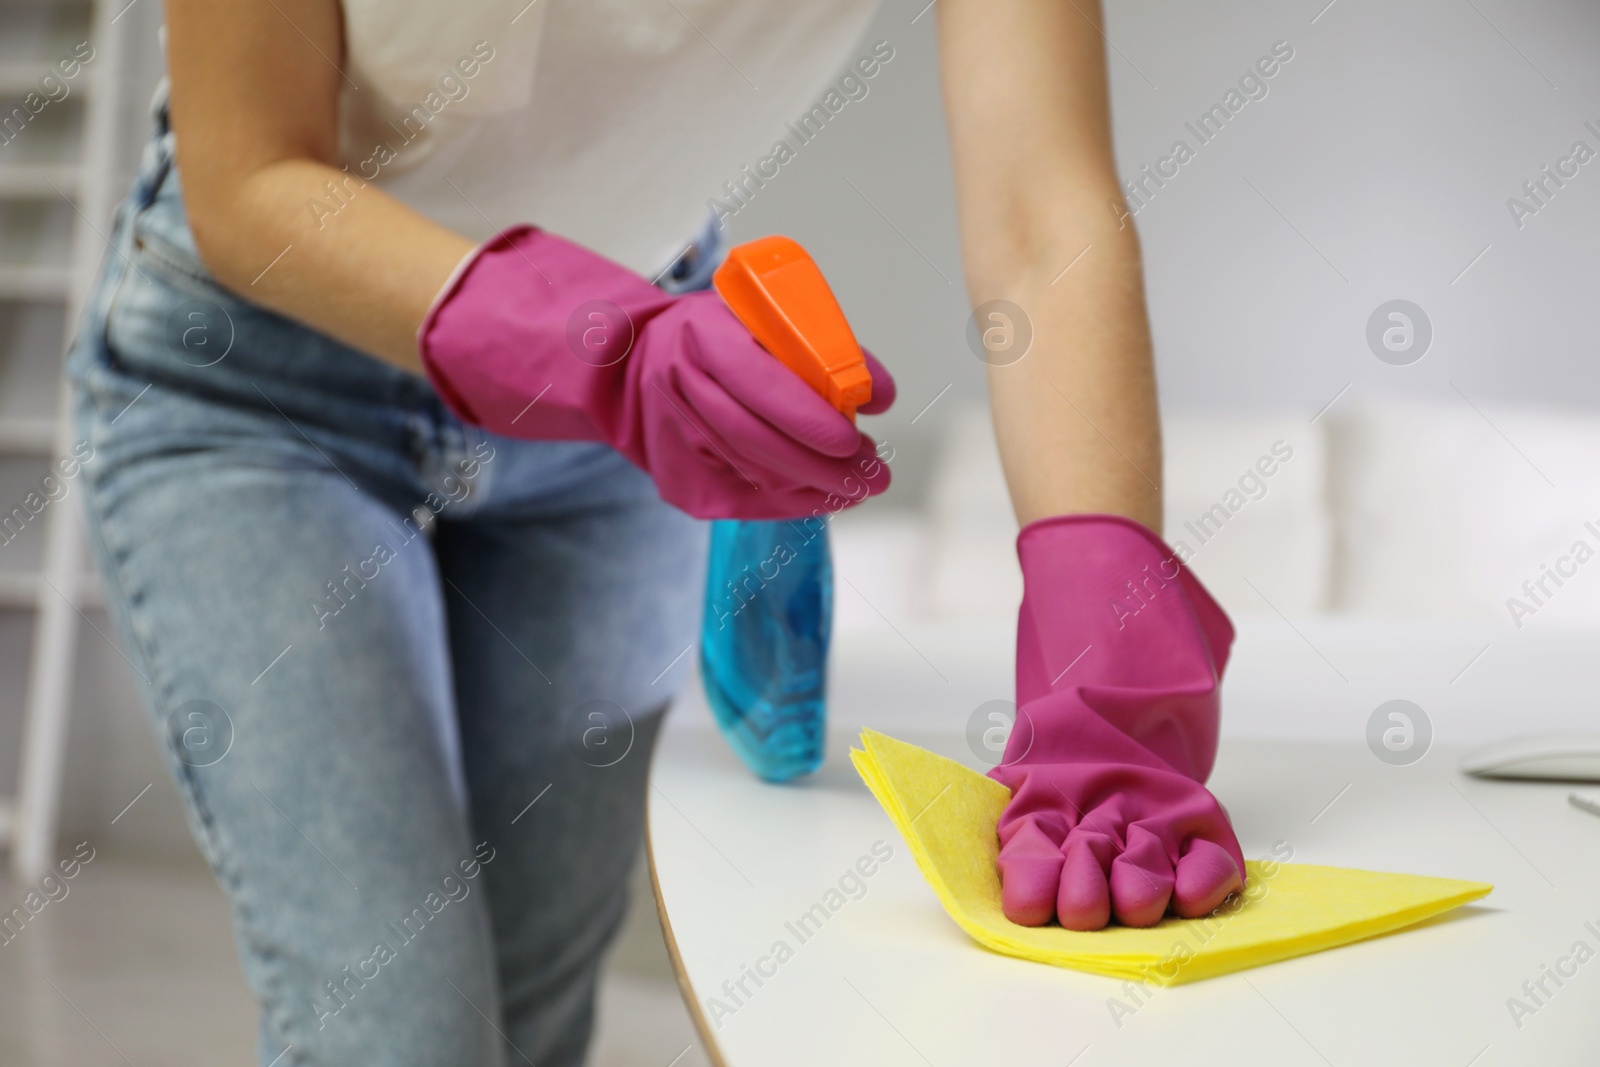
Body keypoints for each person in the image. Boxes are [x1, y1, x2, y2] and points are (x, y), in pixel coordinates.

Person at [67, 1, 1243, 1063]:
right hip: (265, 394)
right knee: (401, 1032)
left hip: (604, 418)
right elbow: (249, 179)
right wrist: (606, 347)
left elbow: (1044, 219)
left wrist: (1106, 638)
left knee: (533, 1003)